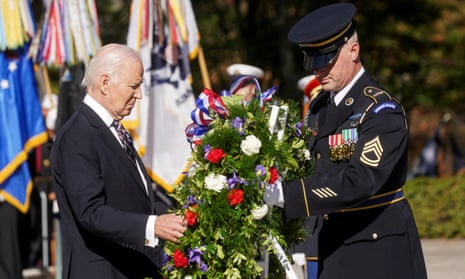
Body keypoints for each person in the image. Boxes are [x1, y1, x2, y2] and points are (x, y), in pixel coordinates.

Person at [277, 3, 427, 278]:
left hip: (376, 254)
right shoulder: (320, 106)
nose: (319, 70)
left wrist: (286, 195)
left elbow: (359, 181)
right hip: (331, 247)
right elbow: (311, 166)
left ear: (354, 50)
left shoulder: (380, 111)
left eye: (327, 59)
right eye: (313, 61)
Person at [51, 43, 187, 279]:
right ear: (105, 83)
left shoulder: (114, 130)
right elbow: (91, 212)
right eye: (133, 86)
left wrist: (183, 217)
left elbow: (134, 201)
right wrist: (152, 226)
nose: (139, 95)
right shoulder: (78, 135)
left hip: (131, 267)